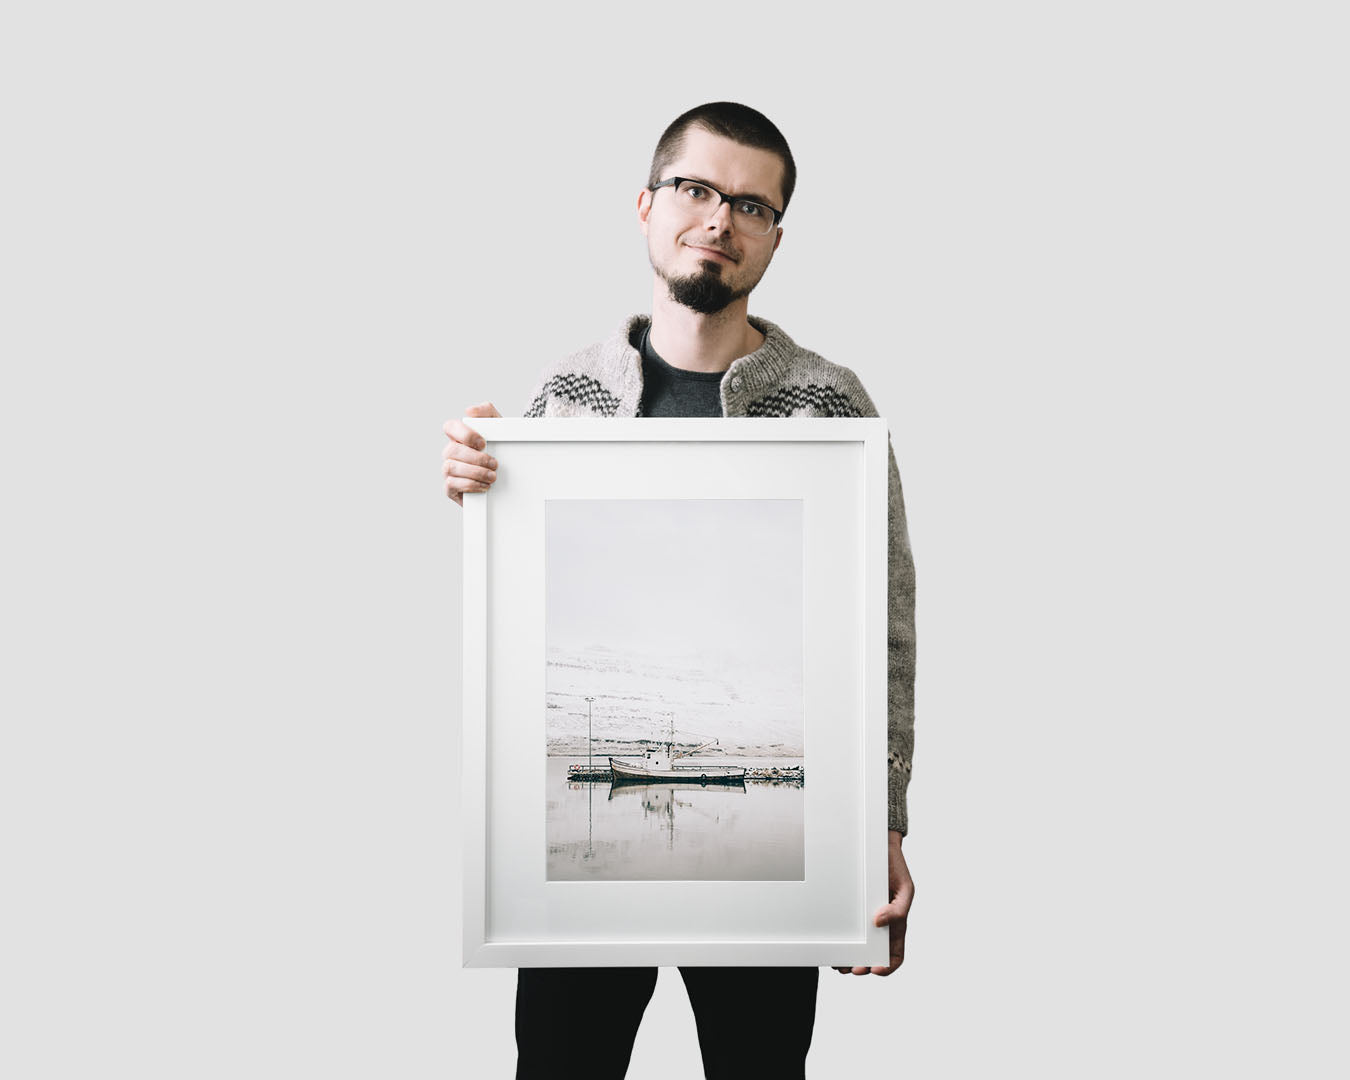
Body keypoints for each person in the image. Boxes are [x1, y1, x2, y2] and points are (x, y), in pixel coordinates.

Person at [443, 102, 916, 1079]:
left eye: (752, 205)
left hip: (776, 876)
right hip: (566, 884)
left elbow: (887, 627)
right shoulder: (566, 394)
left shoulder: (831, 405)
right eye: (697, 189)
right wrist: (479, 488)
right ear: (647, 204)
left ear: (775, 237)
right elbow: (526, 608)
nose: (720, 219)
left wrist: (883, 816)